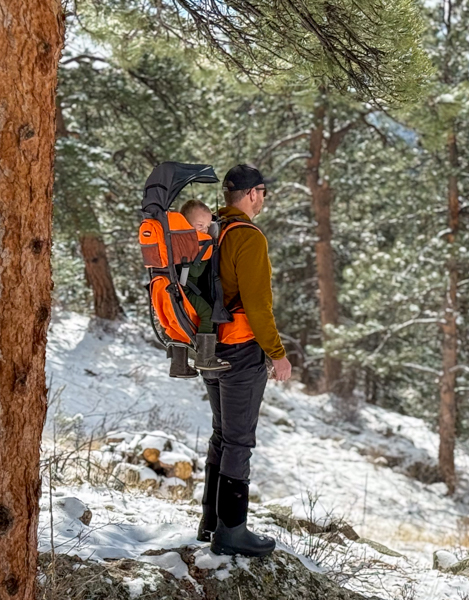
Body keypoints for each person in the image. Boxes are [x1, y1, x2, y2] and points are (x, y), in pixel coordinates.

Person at [197, 164, 292, 557]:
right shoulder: (248, 238)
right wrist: (277, 354)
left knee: (223, 434)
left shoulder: (212, 230)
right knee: (238, 441)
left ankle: (210, 522)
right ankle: (232, 530)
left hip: (208, 346)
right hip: (240, 350)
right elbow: (257, 305)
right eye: (263, 194)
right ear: (254, 193)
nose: (263, 200)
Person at [169, 199, 230, 374]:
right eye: (199, 225)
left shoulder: (177, 238)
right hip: (185, 291)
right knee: (208, 314)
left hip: (175, 289)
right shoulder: (189, 243)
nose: (204, 230)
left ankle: (178, 365)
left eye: (207, 226)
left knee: (177, 325)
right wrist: (206, 254)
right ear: (185, 223)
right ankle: (204, 357)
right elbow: (193, 272)